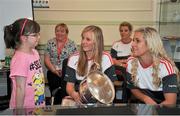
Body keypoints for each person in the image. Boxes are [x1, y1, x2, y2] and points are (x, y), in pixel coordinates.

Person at [64, 25, 117, 105]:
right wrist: (74, 95)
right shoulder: (73, 58)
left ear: (97, 42)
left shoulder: (106, 58)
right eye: (83, 38)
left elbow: (110, 88)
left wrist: (100, 100)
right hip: (80, 100)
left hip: (101, 101)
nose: (83, 42)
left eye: (88, 39)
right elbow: (69, 86)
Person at [126, 27, 179, 105]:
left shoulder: (165, 67)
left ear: (150, 45)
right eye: (133, 40)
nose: (132, 44)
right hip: (145, 105)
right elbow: (133, 88)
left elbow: (170, 103)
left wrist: (153, 109)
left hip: (164, 108)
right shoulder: (131, 62)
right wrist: (145, 98)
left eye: (137, 41)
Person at [4, 18, 45, 109]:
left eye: (38, 34)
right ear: (24, 38)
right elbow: (20, 88)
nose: (39, 37)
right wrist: (19, 111)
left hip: (37, 104)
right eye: (35, 35)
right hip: (24, 108)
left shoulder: (35, 52)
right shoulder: (20, 59)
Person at [44, 23, 77, 104]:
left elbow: (74, 60)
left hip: (67, 73)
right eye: (57, 31)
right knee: (55, 90)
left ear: (67, 33)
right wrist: (54, 70)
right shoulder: (50, 43)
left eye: (62, 31)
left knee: (64, 90)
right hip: (52, 72)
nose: (59, 33)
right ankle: (55, 105)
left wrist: (64, 71)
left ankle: (64, 106)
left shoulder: (72, 44)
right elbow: (46, 59)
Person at [110, 21, 133, 102]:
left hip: (132, 70)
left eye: (126, 30)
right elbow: (112, 60)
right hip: (119, 71)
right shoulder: (116, 44)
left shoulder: (134, 44)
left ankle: (126, 100)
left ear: (130, 32)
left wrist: (122, 61)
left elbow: (135, 59)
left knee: (128, 73)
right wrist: (121, 63)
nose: (123, 32)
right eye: (121, 30)